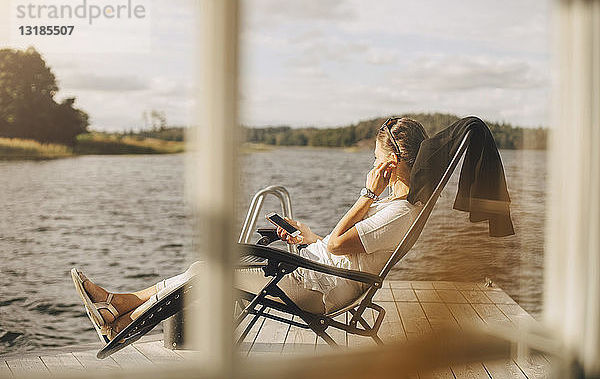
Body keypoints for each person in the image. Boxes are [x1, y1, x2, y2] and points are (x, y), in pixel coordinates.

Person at [72, 117, 428, 342]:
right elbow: (342, 249)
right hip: (315, 273)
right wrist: (309, 237)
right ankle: (119, 311)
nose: (372, 165)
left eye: (375, 158)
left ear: (390, 164)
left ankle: (118, 315)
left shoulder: (395, 212)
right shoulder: (392, 209)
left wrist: (366, 194)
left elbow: (337, 247)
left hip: (318, 290)